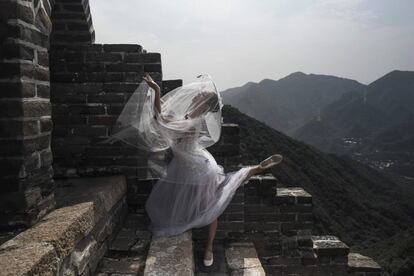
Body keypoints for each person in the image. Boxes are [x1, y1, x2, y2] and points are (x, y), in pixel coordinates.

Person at [108, 73, 283, 267]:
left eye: (201, 95)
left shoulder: (192, 122)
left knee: (211, 207)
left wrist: (157, 91)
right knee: (195, 202)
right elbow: (163, 117)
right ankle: (254, 169)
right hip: (188, 163)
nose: (196, 94)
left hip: (197, 170)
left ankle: (209, 246)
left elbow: (161, 121)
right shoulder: (188, 116)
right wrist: (156, 93)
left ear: (205, 104)